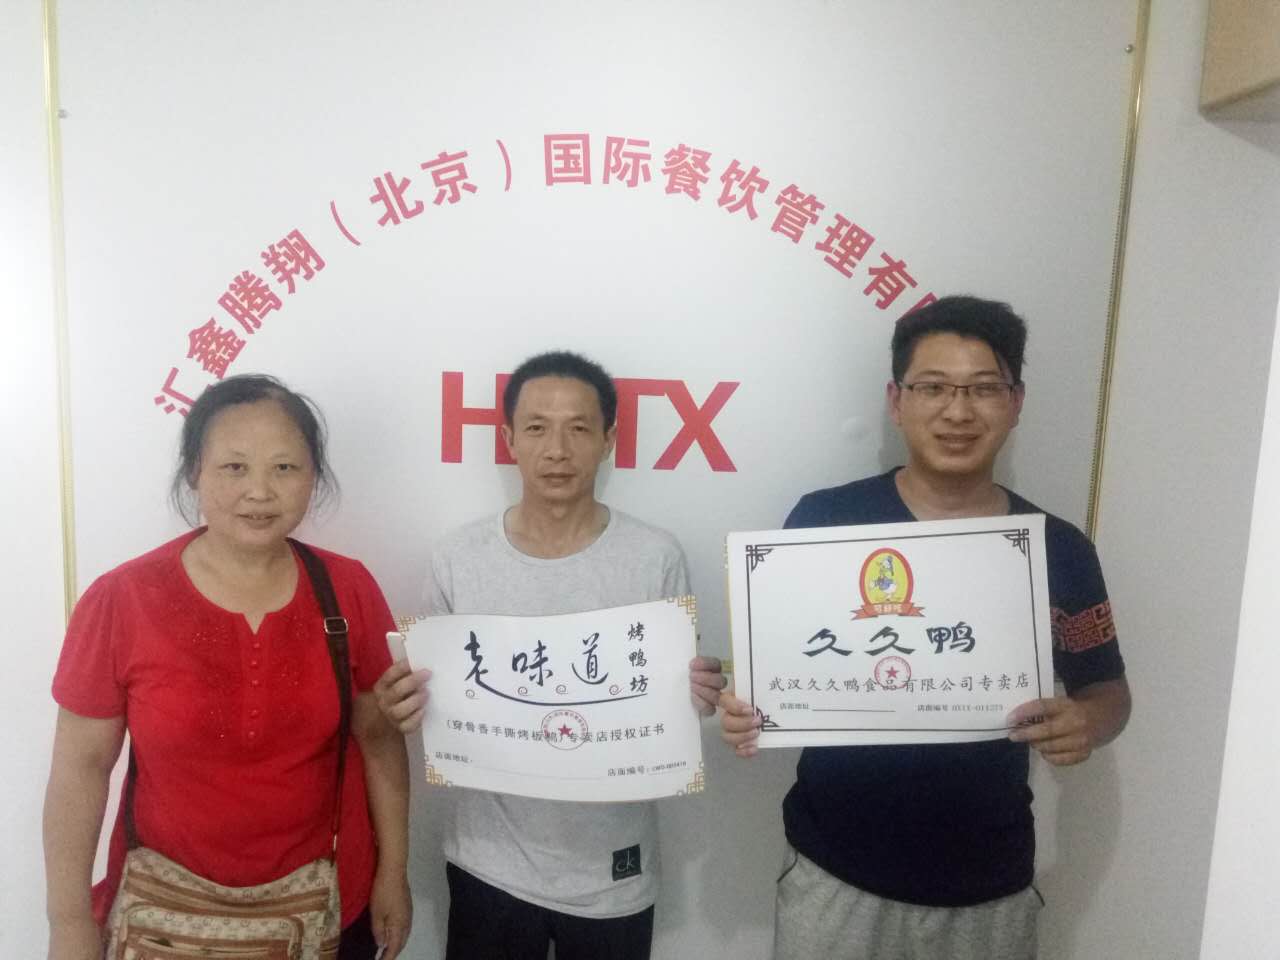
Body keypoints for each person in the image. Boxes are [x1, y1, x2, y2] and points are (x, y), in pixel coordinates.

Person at [720, 296, 1131, 960]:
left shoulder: (1058, 550)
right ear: (896, 400)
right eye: (933, 387)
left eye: (983, 389)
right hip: (833, 873)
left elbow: (1108, 690)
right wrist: (747, 708)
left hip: (989, 884)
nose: (957, 412)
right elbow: (771, 675)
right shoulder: (822, 522)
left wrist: (1087, 721)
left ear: (1016, 402)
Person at [43, 375, 412, 960]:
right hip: (167, 918)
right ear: (195, 471)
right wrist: (68, 924)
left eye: (285, 468)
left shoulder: (348, 589)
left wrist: (394, 872)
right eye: (234, 467)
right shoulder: (123, 598)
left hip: (324, 909)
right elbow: (79, 771)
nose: (259, 492)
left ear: (313, 477)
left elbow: (380, 741)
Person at [375, 350, 726, 960]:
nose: (557, 450)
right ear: (509, 438)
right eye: (537, 428)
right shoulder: (459, 558)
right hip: (488, 861)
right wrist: (403, 703)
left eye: (579, 428)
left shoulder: (655, 557)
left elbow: (674, 706)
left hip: (614, 869)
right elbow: (433, 700)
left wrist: (693, 695)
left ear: (609, 439)